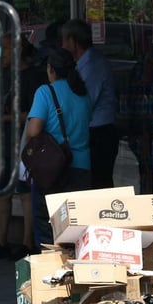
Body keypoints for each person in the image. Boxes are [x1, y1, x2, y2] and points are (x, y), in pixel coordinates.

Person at [0, 36, 49, 261]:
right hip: (3, 140)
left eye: (5, 48)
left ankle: (27, 242)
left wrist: (4, 117)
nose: (1, 53)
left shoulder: (33, 77)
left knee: (24, 192)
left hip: (24, 141)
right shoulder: (3, 76)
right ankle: (1, 241)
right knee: (2, 191)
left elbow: (34, 113)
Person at [26, 47, 93, 247]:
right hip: (82, 167)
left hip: (53, 169)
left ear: (50, 69)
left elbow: (34, 130)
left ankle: (51, 272)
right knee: (78, 227)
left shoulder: (45, 92)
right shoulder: (83, 93)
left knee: (49, 229)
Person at [60, 19, 118, 189]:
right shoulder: (83, 63)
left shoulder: (93, 64)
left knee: (98, 184)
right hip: (91, 132)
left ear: (72, 41)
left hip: (99, 133)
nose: (62, 45)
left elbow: (84, 102)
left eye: (64, 40)